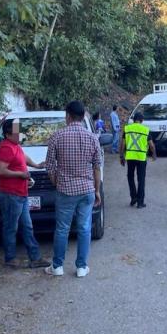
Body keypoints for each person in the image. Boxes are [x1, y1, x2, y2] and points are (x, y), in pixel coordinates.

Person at [44, 101, 102, 277]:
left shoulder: (57, 136)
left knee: (62, 228)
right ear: (84, 116)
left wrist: (56, 182)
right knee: (84, 228)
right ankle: (82, 267)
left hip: (65, 191)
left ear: (68, 116)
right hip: (86, 191)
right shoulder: (92, 138)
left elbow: (49, 166)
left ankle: (57, 266)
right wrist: (97, 190)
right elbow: (97, 167)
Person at [0, 119, 50, 269]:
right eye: (16, 132)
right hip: (10, 194)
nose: (20, 134)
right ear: (7, 134)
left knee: (27, 226)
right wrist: (21, 174)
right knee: (11, 227)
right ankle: (10, 258)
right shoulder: (6, 148)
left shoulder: (15, 145)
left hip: (20, 193)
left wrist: (36, 165)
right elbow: (0, 171)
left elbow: (23, 158)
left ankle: (35, 257)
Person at [120, 112, 156, 208]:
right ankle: (140, 202)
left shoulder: (127, 128)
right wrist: (154, 155)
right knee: (141, 179)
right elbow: (151, 145)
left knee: (130, 177)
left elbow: (123, 144)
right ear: (142, 120)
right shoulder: (145, 130)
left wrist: (121, 156)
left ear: (134, 120)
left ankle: (133, 197)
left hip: (130, 157)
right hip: (141, 158)